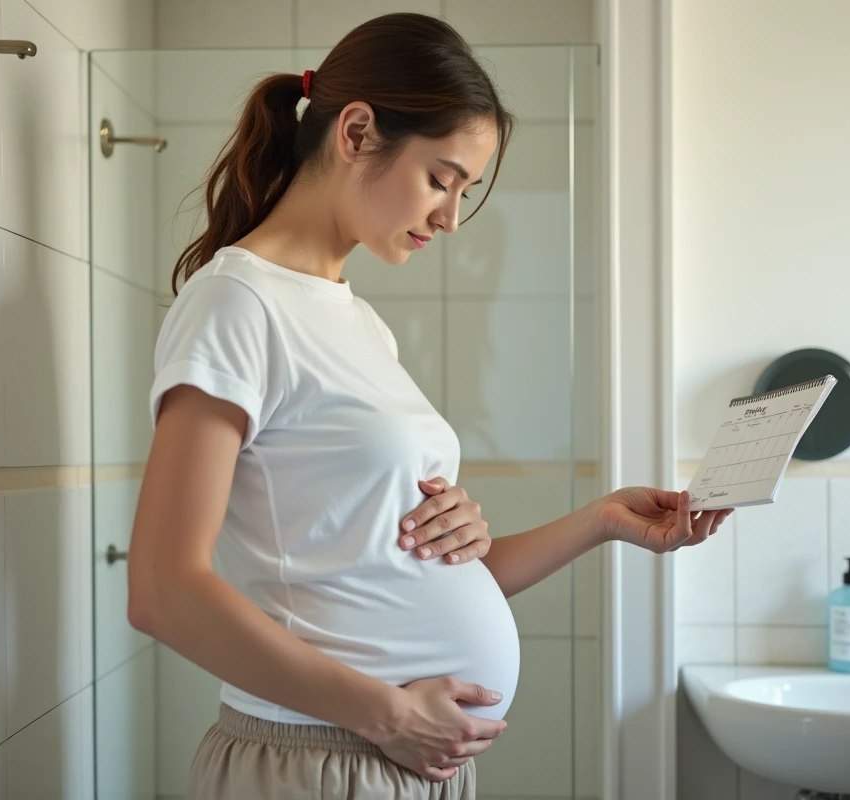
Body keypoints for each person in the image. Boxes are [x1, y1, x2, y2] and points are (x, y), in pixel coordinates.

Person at [127, 12, 730, 800]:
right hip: (321, 759)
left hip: (398, 756)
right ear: (355, 132)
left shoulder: (357, 320)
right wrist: (385, 715)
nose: (450, 216)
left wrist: (603, 520)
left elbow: (399, 572)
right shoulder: (237, 305)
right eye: (441, 178)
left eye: (464, 190)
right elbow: (163, 589)